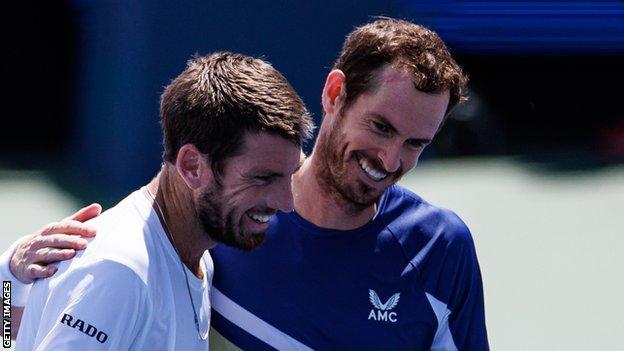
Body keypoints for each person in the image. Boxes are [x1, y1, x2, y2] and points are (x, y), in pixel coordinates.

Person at [3, 18, 488, 350]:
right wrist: (12, 282)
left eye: (416, 143)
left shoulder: (206, 247)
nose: (390, 158)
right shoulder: (207, 233)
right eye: (381, 127)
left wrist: (10, 285)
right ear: (336, 94)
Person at [5, 52, 313, 350]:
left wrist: (8, 279)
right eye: (262, 178)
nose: (286, 202)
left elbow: (10, 329)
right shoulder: (120, 272)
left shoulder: (197, 258)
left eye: (291, 175)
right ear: (193, 166)